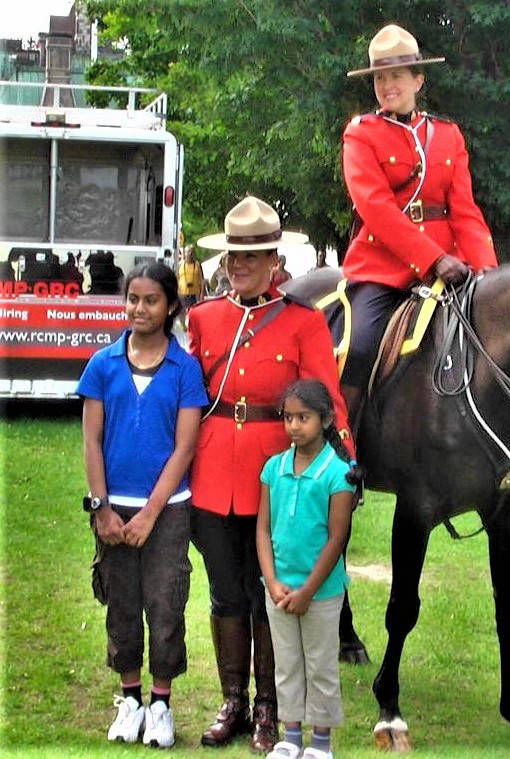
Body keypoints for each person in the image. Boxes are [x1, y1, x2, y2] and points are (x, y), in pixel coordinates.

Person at [188, 196, 354, 753]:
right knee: (225, 592)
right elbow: (190, 397)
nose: (240, 265)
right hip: (212, 467)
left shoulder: (302, 321)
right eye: (234, 255)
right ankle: (232, 699)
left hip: (278, 474)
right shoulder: (205, 316)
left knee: (268, 594)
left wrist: (343, 461)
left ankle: (269, 706)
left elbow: (325, 396)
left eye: (252, 256)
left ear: (273, 260)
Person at [340, 23, 498, 429]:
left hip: (454, 267)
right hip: (382, 268)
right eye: (379, 77)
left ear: (418, 79)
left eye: (396, 75)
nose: (387, 85)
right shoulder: (361, 134)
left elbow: (464, 210)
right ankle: (344, 446)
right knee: (357, 349)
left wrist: (488, 271)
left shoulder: (447, 135)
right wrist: (432, 259)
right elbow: (375, 209)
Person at [77, 262, 207, 748]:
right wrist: (102, 508)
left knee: (165, 603)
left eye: (151, 300)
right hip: (113, 510)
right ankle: (129, 699)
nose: (139, 309)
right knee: (122, 605)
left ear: (171, 305)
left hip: (167, 511)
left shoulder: (184, 369)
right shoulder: (103, 365)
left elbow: (185, 447)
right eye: (133, 299)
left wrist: (152, 513)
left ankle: (160, 705)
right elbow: (91, 441)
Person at [258, 380, 359, 759]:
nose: (295, 425)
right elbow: (263, 530)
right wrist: (272, 582)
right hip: (280, 590)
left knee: (319, 666)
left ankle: (320, 742)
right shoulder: (273, 469)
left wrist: (308, 592)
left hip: (321, 594)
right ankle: (290, 736)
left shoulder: (337, 474)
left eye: (304, 417)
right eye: (289, 417)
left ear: (326, 419)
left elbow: (336, 539)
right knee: (286, 665)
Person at [177, 244, 204, 326]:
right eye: (188, 251)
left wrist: (202, 293)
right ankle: (183, 326)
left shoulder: (197, 265)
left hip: (194, 294)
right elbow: (176, 278)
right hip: (182, 292)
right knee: (181, 312)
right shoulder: (180, 264)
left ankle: (191, 326)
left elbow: (202, 280)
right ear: (184, 253)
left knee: (193, 312)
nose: (190, 253)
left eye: (192, 252)